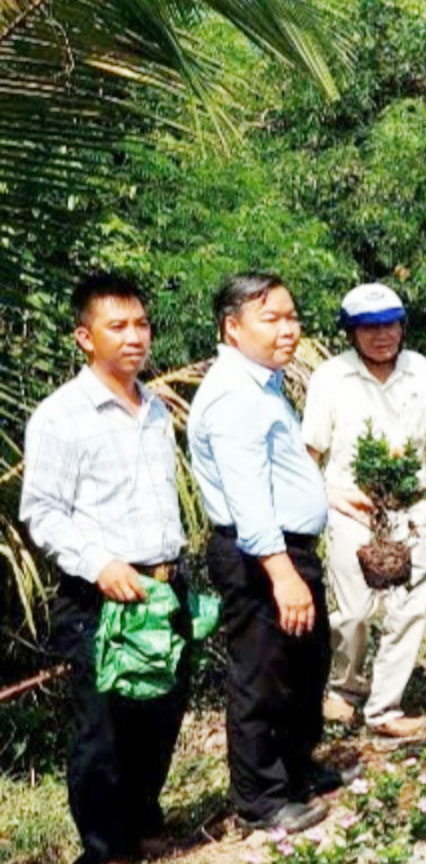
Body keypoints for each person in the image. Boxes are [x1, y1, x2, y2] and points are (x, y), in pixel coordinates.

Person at [20, 274, 190, 863]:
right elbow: (40, 512)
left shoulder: (155, 410)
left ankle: (142, 821)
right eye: (117, 326)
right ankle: (104, 849)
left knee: (161, 710)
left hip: (165, 587)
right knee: (104, 731)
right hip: (102, 595)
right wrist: (99, 564)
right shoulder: (62, 416)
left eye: (141, 323)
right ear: (84, 337)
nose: (134, 337)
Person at [188, 273, 332, 832]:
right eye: (271, 319)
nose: (288, 330)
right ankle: (261, 800)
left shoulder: (262, 385)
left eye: (292, 317)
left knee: (301, 666)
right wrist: (282, 573)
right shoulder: (232, 394)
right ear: (232, 327)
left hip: (284, 549)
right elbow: (247, 495)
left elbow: (274, 474)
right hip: (262, 555)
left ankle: (294, 773)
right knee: (262, 675)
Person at [301, 283, 426, 737]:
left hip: (409, 509)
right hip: (350, 508)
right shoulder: (331, 378)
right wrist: (328, 495)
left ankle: (385, 709)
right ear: (351, 334)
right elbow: (309, 453)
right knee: (354, 612)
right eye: (370, 328)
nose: (382, 336)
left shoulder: (420, 371)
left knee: (410, 608)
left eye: (390, 324)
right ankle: (345, 688)